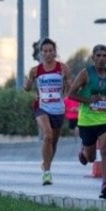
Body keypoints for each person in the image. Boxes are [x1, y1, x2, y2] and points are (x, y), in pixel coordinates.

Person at [68, 44, 106, 200]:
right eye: (98, 55)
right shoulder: (85, 74)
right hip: (87, 121)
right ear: (93, 58)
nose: (101, 58)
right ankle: (83, 151)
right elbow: (71, 94)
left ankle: (105, 185)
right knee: (91, 158)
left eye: (104, 55)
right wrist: (88, 100)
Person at [24, 38, 70, 185]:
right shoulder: (35, 70)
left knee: (54, 141)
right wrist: (29, 82)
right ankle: (47, 173)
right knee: (48, 135)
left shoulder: (63, 68)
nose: (48, 53)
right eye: (45, 51)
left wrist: (67, 82)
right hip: (41, 107)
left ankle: (46, 163)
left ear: (55, 52)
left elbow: (69, 90)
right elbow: (27, 88)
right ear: (41, 53)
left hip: (58, 108)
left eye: (51, 51)